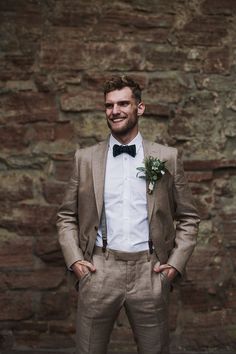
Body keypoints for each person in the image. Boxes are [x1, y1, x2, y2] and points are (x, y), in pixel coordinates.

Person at [57, 76, 200, 354]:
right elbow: (65, 216)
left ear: (140, 108)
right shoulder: (85, 158)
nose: (115, 111)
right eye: (109, 105)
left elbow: (189, 217)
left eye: (123, 103)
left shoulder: (166, 157)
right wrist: (76, 261)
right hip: (99, 269)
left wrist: (173, 266)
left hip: (150, 271)